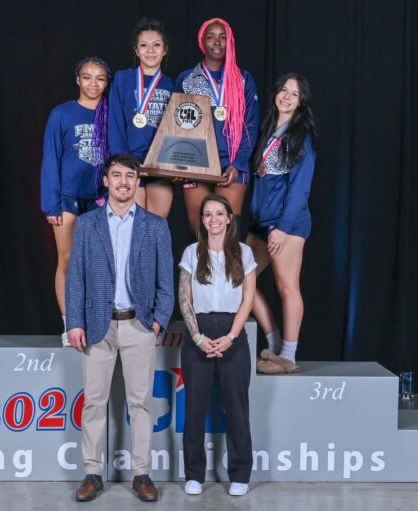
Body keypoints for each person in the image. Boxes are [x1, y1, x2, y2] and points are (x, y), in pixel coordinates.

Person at [65, 153, 174, 502]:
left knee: (140, 403)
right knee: (94, 402)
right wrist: (75, 322)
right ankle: (92, 473)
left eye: (130, 176)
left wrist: (158, 320)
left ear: (137, 182)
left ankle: (142, 473)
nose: (124, 182)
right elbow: (75, 279)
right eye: (117, 175)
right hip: (98, 326)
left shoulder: (155, 226)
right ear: (107, 181)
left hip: (139, 325)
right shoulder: (86, 225)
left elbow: (166, 282)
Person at [177, 194, 257, 496]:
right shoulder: (190, 253)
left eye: (219, 214)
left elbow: (248, 299)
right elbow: (184, 297)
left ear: (228, 218)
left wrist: (231, 337)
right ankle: (194, 474)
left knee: (236, 408)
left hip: (232, 333)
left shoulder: (244, 253)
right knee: (194, 409)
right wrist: (198, 338)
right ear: (202, 221)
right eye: (207, 214)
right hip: (198, 332)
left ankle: (240, 473)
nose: (213, 220)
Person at [246, 73, 316, 372]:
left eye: (295, 94)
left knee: (286, 286)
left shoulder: (301, 137)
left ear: (301, 103)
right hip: (262, 224)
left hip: (288, 224)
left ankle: (289, 355)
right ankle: (274, 343)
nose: (286, 97)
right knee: (240, 279)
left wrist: (283, 228)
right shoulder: (268, 131)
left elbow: (301, 188)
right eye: (283, 90)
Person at [40, 57, 111, 345]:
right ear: (77, 80)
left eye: (100, 78)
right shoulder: (61, 114)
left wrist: (111, 196)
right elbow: (50, 158)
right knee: (67, 260)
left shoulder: (111, 114)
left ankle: (96, 321)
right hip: (68, 197)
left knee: (98, 263)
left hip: (99, 198)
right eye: (87, 77)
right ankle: (70, 323)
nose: (93, 83)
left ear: (107, 83)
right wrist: (51, 204)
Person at [176, 18, 259, 235]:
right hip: (197, 163)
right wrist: (180, 163)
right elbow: (176, 125)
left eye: (223, 37)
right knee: (200, 232)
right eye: (211, 36)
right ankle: (203, 271)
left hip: (231, 164)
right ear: (202, 41)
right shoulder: (186, 79)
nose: (217, 42)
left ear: (230, 41)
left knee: (228, 233)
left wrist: (239, 163)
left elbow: (251, 127)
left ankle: (228, 271)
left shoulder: (243, 80)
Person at [108, 17, 174, 218]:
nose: (150, 51)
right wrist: (124, 163)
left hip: (159, 167)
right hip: (130, 165)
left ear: (165, 50)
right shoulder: (122, 79)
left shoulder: (172, 85)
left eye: (156, 45)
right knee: (131, 229)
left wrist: (175, 165)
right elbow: (115, 122)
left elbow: (177, 129)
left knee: (155, 228)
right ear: (136, 50)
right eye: (144, 45)